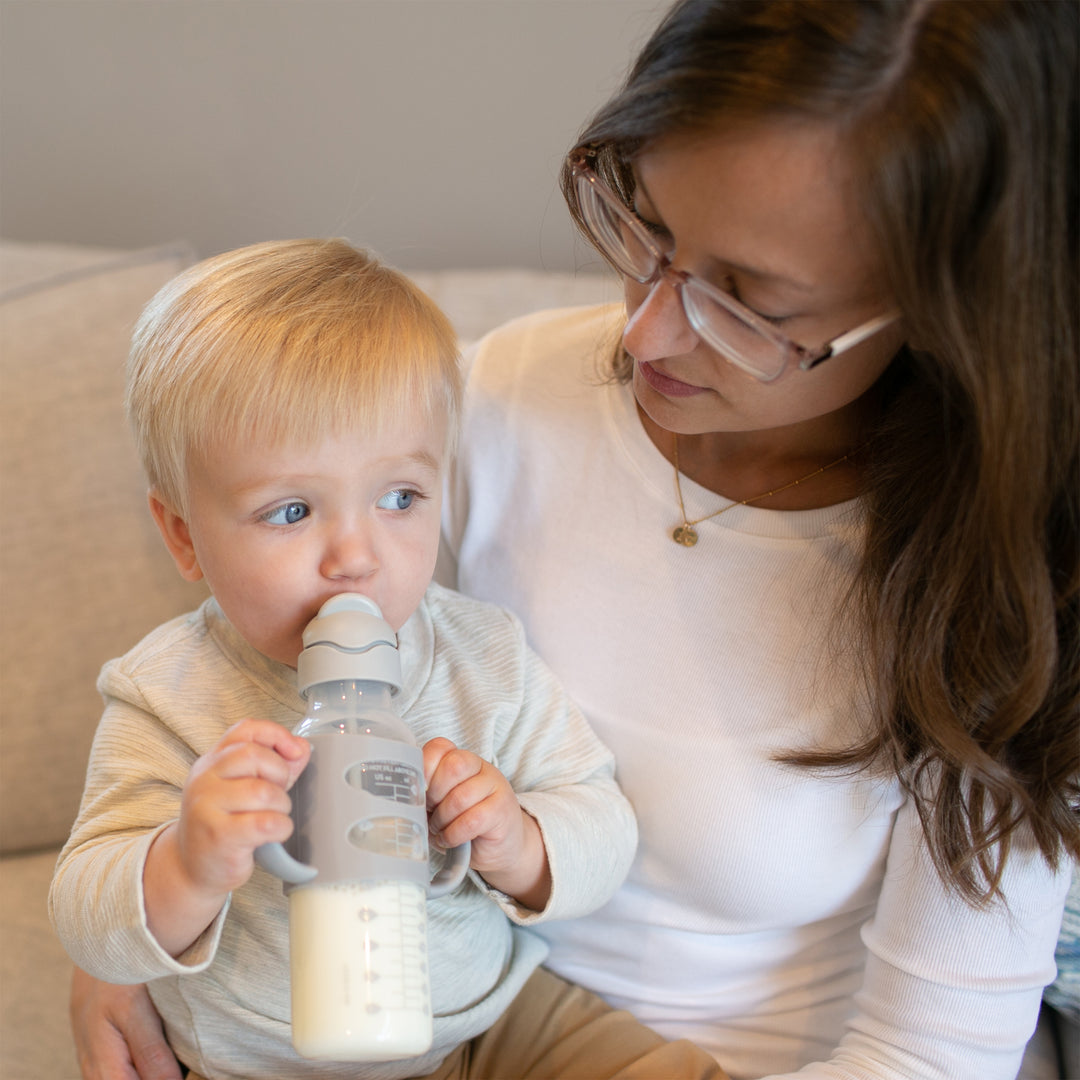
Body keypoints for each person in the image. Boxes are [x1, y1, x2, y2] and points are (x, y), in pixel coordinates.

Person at [70, 1, 1079, 1078]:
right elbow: (284, 632)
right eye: (643, 227)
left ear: (948, 309)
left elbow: (933, 1053)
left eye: (746, 302)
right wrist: (142, 914)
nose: (642, 330)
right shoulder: (499, 396)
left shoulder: (1009, 585)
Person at [50, 238, 727, 1080]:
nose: (356, 556)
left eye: (400, 497)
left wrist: (518, 840)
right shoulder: (169, 693)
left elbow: (601, 820)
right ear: (185, 536)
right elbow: (85, 912)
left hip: (486, 1025)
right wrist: (183, 863)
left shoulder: (482, 658)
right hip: (266, 1057)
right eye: (292, 510)